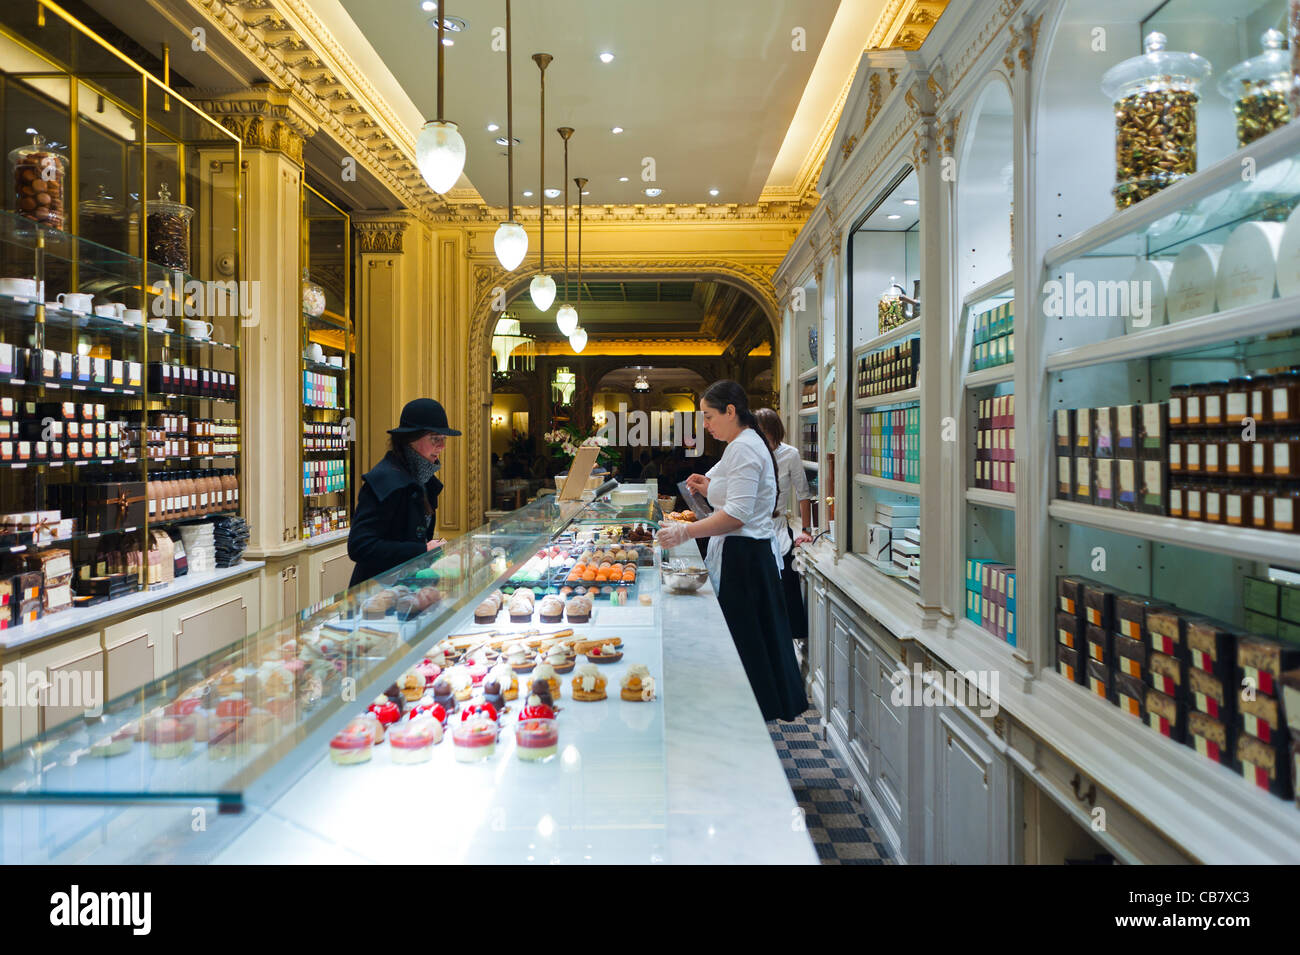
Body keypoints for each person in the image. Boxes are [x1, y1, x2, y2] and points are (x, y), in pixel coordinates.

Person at [656, 381, 806, 722]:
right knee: (748, 653)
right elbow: (739, 499)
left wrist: (685, 531)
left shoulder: (744, 447)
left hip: (746, 562)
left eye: (709, 416)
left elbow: (737, 515)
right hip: (744, 555)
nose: (705, 425)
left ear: (730, 411)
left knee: (748, 654)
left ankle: (745, 734)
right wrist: (710, 487)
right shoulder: (742, 443)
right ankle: (743, 727)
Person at [347, 398, 460, 586]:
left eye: (443, 439)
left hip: (404, 589)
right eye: (435, 438)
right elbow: (360, 546)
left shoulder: (423, 481)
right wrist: (421, 550)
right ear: (411, 440)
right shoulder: (385, 480)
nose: (442, 446)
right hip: (375, 593)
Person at [754, 408, 814, 645]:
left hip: (778, 526)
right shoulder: (750, 453)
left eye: (763, 431)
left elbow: (803, 493)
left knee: (784, 587)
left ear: (773, 430)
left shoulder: (790, 454)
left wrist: (806, 530)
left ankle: (787, 641)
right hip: (753, 527)